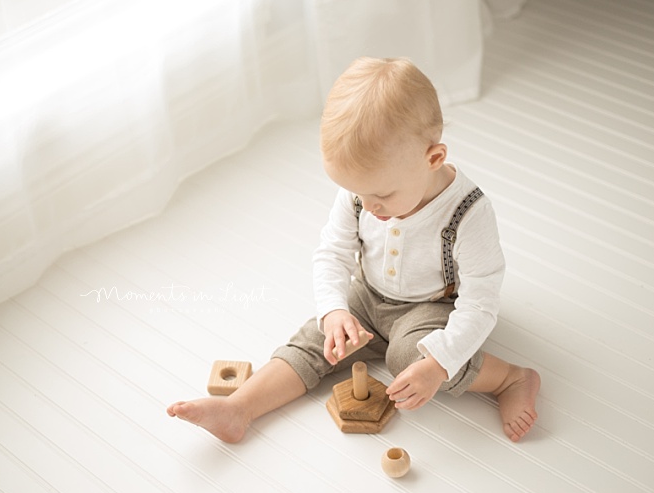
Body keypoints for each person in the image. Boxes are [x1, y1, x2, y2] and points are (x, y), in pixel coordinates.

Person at [167, 57, 540, 443]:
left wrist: (439, 365)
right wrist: (334, 311)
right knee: (315, 338)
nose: (369, 206)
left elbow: (479, 304)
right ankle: (239, 408)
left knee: (408, 357)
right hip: (367, 294)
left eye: (381, 195)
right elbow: (332, 252)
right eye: (359, 192)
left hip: (429, 306)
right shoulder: (364, 191)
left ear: (433, 158)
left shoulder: (468, 213)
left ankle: (510, 378)